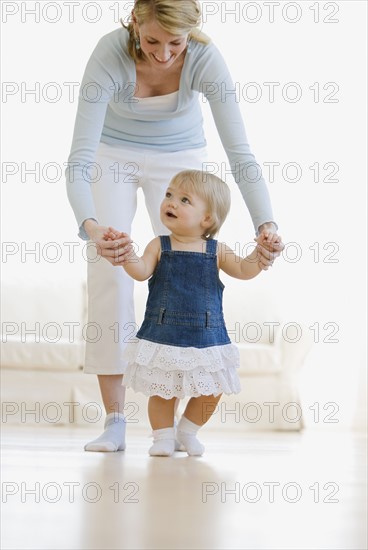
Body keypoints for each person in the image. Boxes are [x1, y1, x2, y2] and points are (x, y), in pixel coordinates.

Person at [65, 0, 283, 452]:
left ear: (192, 34)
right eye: (151, 42)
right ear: (134, 24)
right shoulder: (109, 54)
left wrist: (266, 224)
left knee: (188, 265)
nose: (163, 55)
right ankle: (115, 419)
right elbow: (81, 158)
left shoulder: (205, 58)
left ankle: (178, 424)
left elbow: (240, 152)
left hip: (179, 154)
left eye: (175, 44)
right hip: (113, 154)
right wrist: (90, 228)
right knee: (110, 271)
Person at [112, 169, 275, 456]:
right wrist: (127, 255)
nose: (171, 203)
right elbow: (140, 272)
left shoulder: (217, 251)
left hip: (206, 336)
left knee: (213, 390)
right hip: (164, 334)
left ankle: (187, 430)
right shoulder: (158, 245)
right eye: (169, 195)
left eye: (184, 199)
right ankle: (162, 437)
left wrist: (259, 256)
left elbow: (244, 270)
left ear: (207, 219)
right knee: (163, 391)